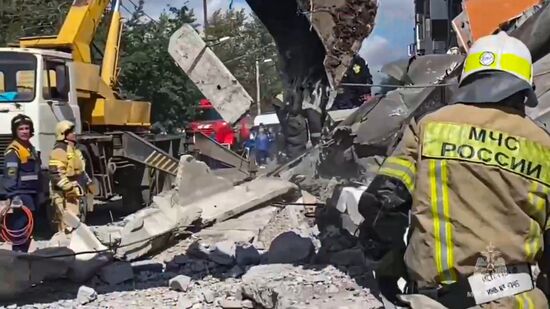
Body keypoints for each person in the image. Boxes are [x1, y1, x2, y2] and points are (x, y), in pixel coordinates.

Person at [357, 31, 550, 308]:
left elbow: (382, 203)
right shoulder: (544, 146)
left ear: (467, 79)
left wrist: (391, 272)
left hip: (438, 301)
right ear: (524, 90)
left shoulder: (429, 127)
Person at [2, 114, 41, 252]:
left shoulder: (29, 148)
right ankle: (18, 257)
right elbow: (10, 176)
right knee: (20, 230)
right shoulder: (14, 151)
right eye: (21, 129)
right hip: (21, 195)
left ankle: (23, 257)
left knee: (28, 232)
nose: (25, 131)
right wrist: (14, 196)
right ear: (15, 131)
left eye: (27, 128)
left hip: (31, 194)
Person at [48, 120, 95, 233]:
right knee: (67, 225)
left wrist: (89, 183)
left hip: (75, 194)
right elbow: (56, 173)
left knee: (76, 222)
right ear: (63, 134)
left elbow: (81, 170)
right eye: (71, 132)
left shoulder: (75, 151)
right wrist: (69, 189)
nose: (74, 134)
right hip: (63, 195)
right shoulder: (59, 150)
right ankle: (64, 247)